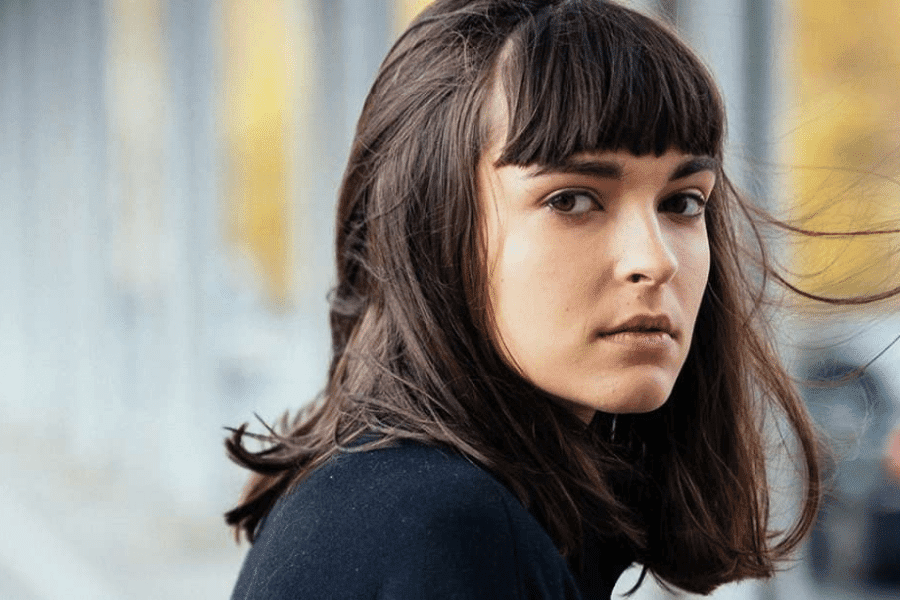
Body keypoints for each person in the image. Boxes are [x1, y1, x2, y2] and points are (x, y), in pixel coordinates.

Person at [224, 1, 827, 597]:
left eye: (683, 203)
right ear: (429, 228)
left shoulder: (383, 497)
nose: (656, 260)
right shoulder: (449, 531)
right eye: (571, 199)